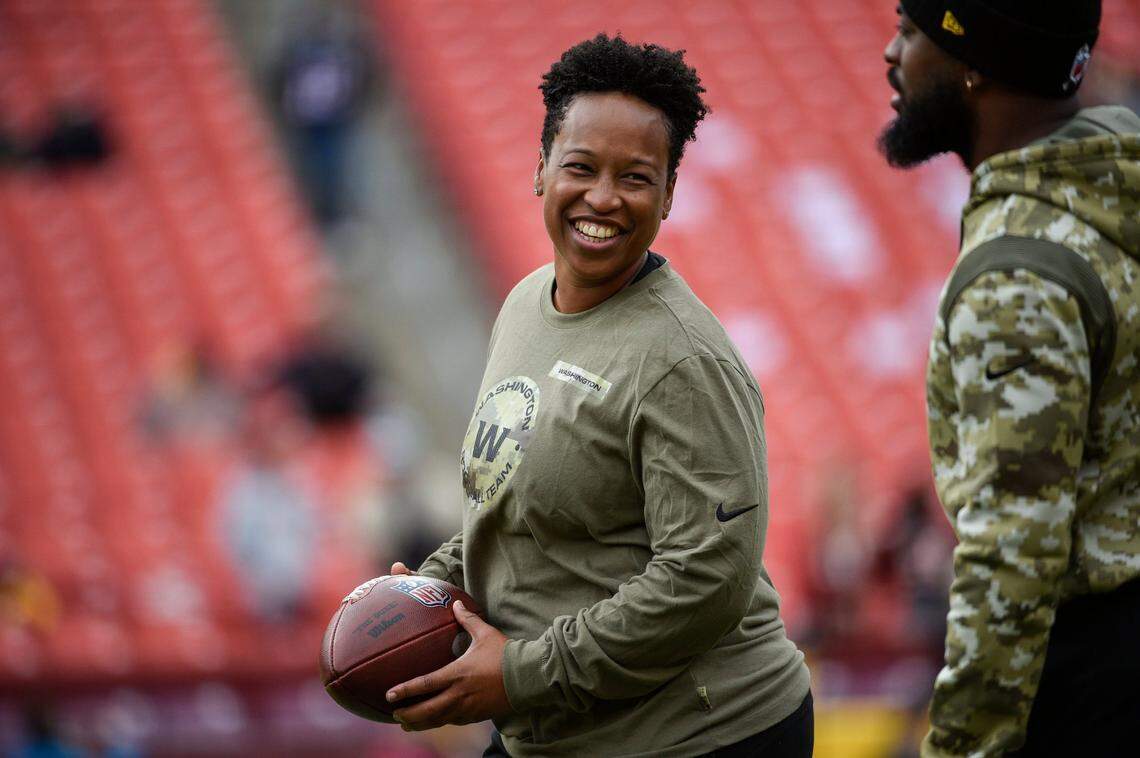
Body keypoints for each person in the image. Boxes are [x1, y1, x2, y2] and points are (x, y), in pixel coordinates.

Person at [382, 34, 812, 757]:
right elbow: (521, 509)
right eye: (581, 167)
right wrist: (434, 588)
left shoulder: (683, 359)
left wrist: (520, 674)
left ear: (670, 193)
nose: (603, 197)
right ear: (541, 169)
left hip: (700, 736)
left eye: (636, 177)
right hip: (555, 726)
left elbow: (706, 580)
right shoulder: (524, 306)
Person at [879, 1, 1140, 755]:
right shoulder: (1107, 191)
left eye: (911, 30)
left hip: (1090, 682)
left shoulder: (1017, 273)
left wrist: (962, 746)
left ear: (975, 65)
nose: (891, 55)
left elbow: (1015, 559)